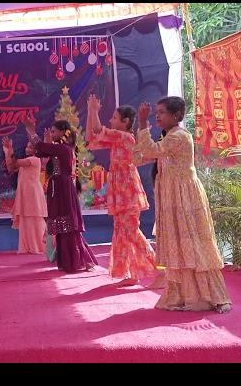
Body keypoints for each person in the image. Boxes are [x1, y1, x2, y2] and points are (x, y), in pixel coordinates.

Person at [136, 97, 232, 313]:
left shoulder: (178, 136)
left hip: (184, 198)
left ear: (176, 115)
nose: (157, 116)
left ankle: (205, 297)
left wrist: (142, 124)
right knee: (179, 244)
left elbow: (151, 151)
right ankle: (183, 295)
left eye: (162, 112)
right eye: (156, 112)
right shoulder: (170, 136)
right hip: (174, 197)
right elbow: (145, 154)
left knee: (192, 244)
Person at [85, 95, 157, 286]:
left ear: (125, 122)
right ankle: (131, 274)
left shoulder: (125, 137)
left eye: (115, 118)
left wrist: (94, 111)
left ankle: (160, 268)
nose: (111, 120)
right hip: (119, 191)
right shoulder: (117, 140)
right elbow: (90, 139)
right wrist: (90, 112)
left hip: (128, 191)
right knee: (121, 231)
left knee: (131, 231)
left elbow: (99, 129)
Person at [22, 117, 98, 273]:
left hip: (63, 189)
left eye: (54, 131)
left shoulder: (64, 148)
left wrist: (31, 129)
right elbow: (40, 150)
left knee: (68, 225)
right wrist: (38, 136)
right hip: (59, 188)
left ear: (63, 132)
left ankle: (78, 261)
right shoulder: (60, 148)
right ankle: (72, 261)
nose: (52, 132)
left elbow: (40, 146)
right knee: (63, 225)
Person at [2, 138, 48, 254]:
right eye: (27, 147)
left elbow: (14, 163)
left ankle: (39, 246)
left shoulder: (34, 159)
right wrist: (7, 151)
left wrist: (10, 150)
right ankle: (27, 246)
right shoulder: (26, 161)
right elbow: (10, 168)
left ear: (36, 150)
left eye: (31, 147)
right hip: (24, 192)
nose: (28, 149)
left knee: (34, 218)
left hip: (33, 194)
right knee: (25, 218)